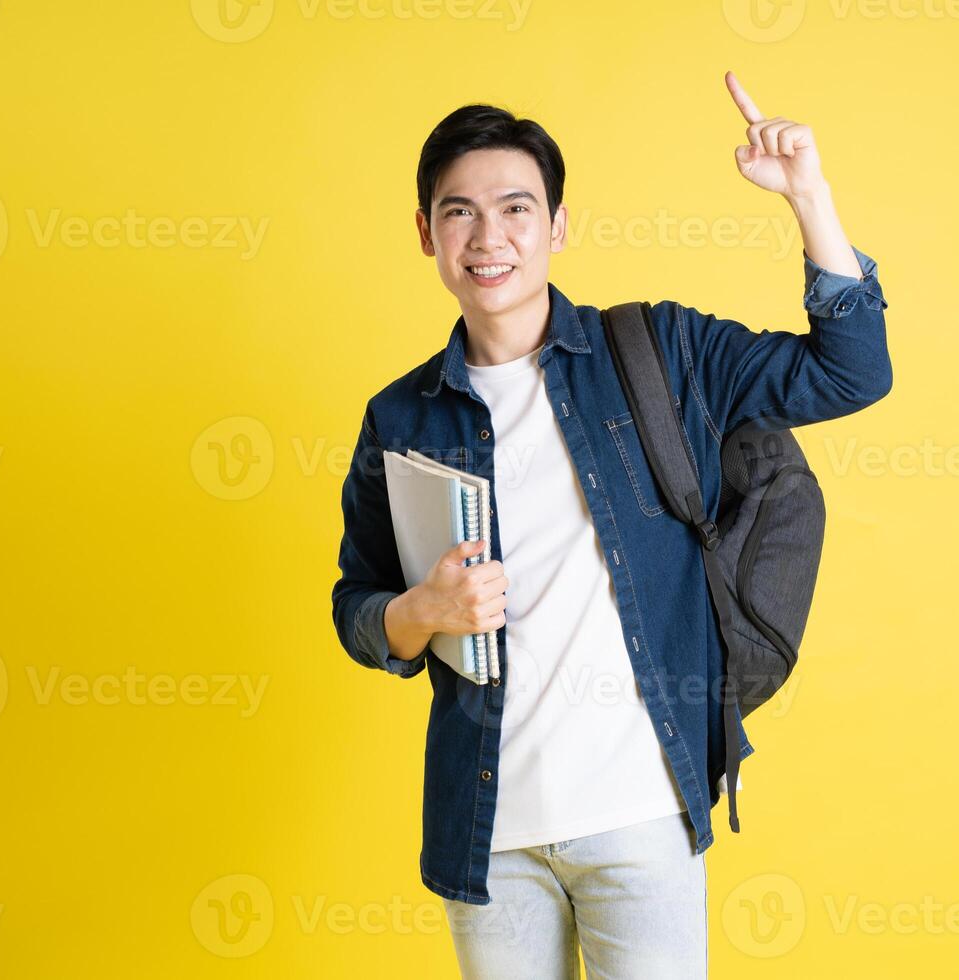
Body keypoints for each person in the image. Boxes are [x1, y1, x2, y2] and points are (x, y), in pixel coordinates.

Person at [330, 71, 893, 979]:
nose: (488, 237)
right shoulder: (403, 417)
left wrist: (809, 197)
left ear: (555, 227)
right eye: (459, 212)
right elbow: (358, 610)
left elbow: (851, 372)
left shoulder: (660, 352)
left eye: (516, 209)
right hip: (489, 837)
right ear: (427, 234)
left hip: (640, 816)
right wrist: (423, 611)